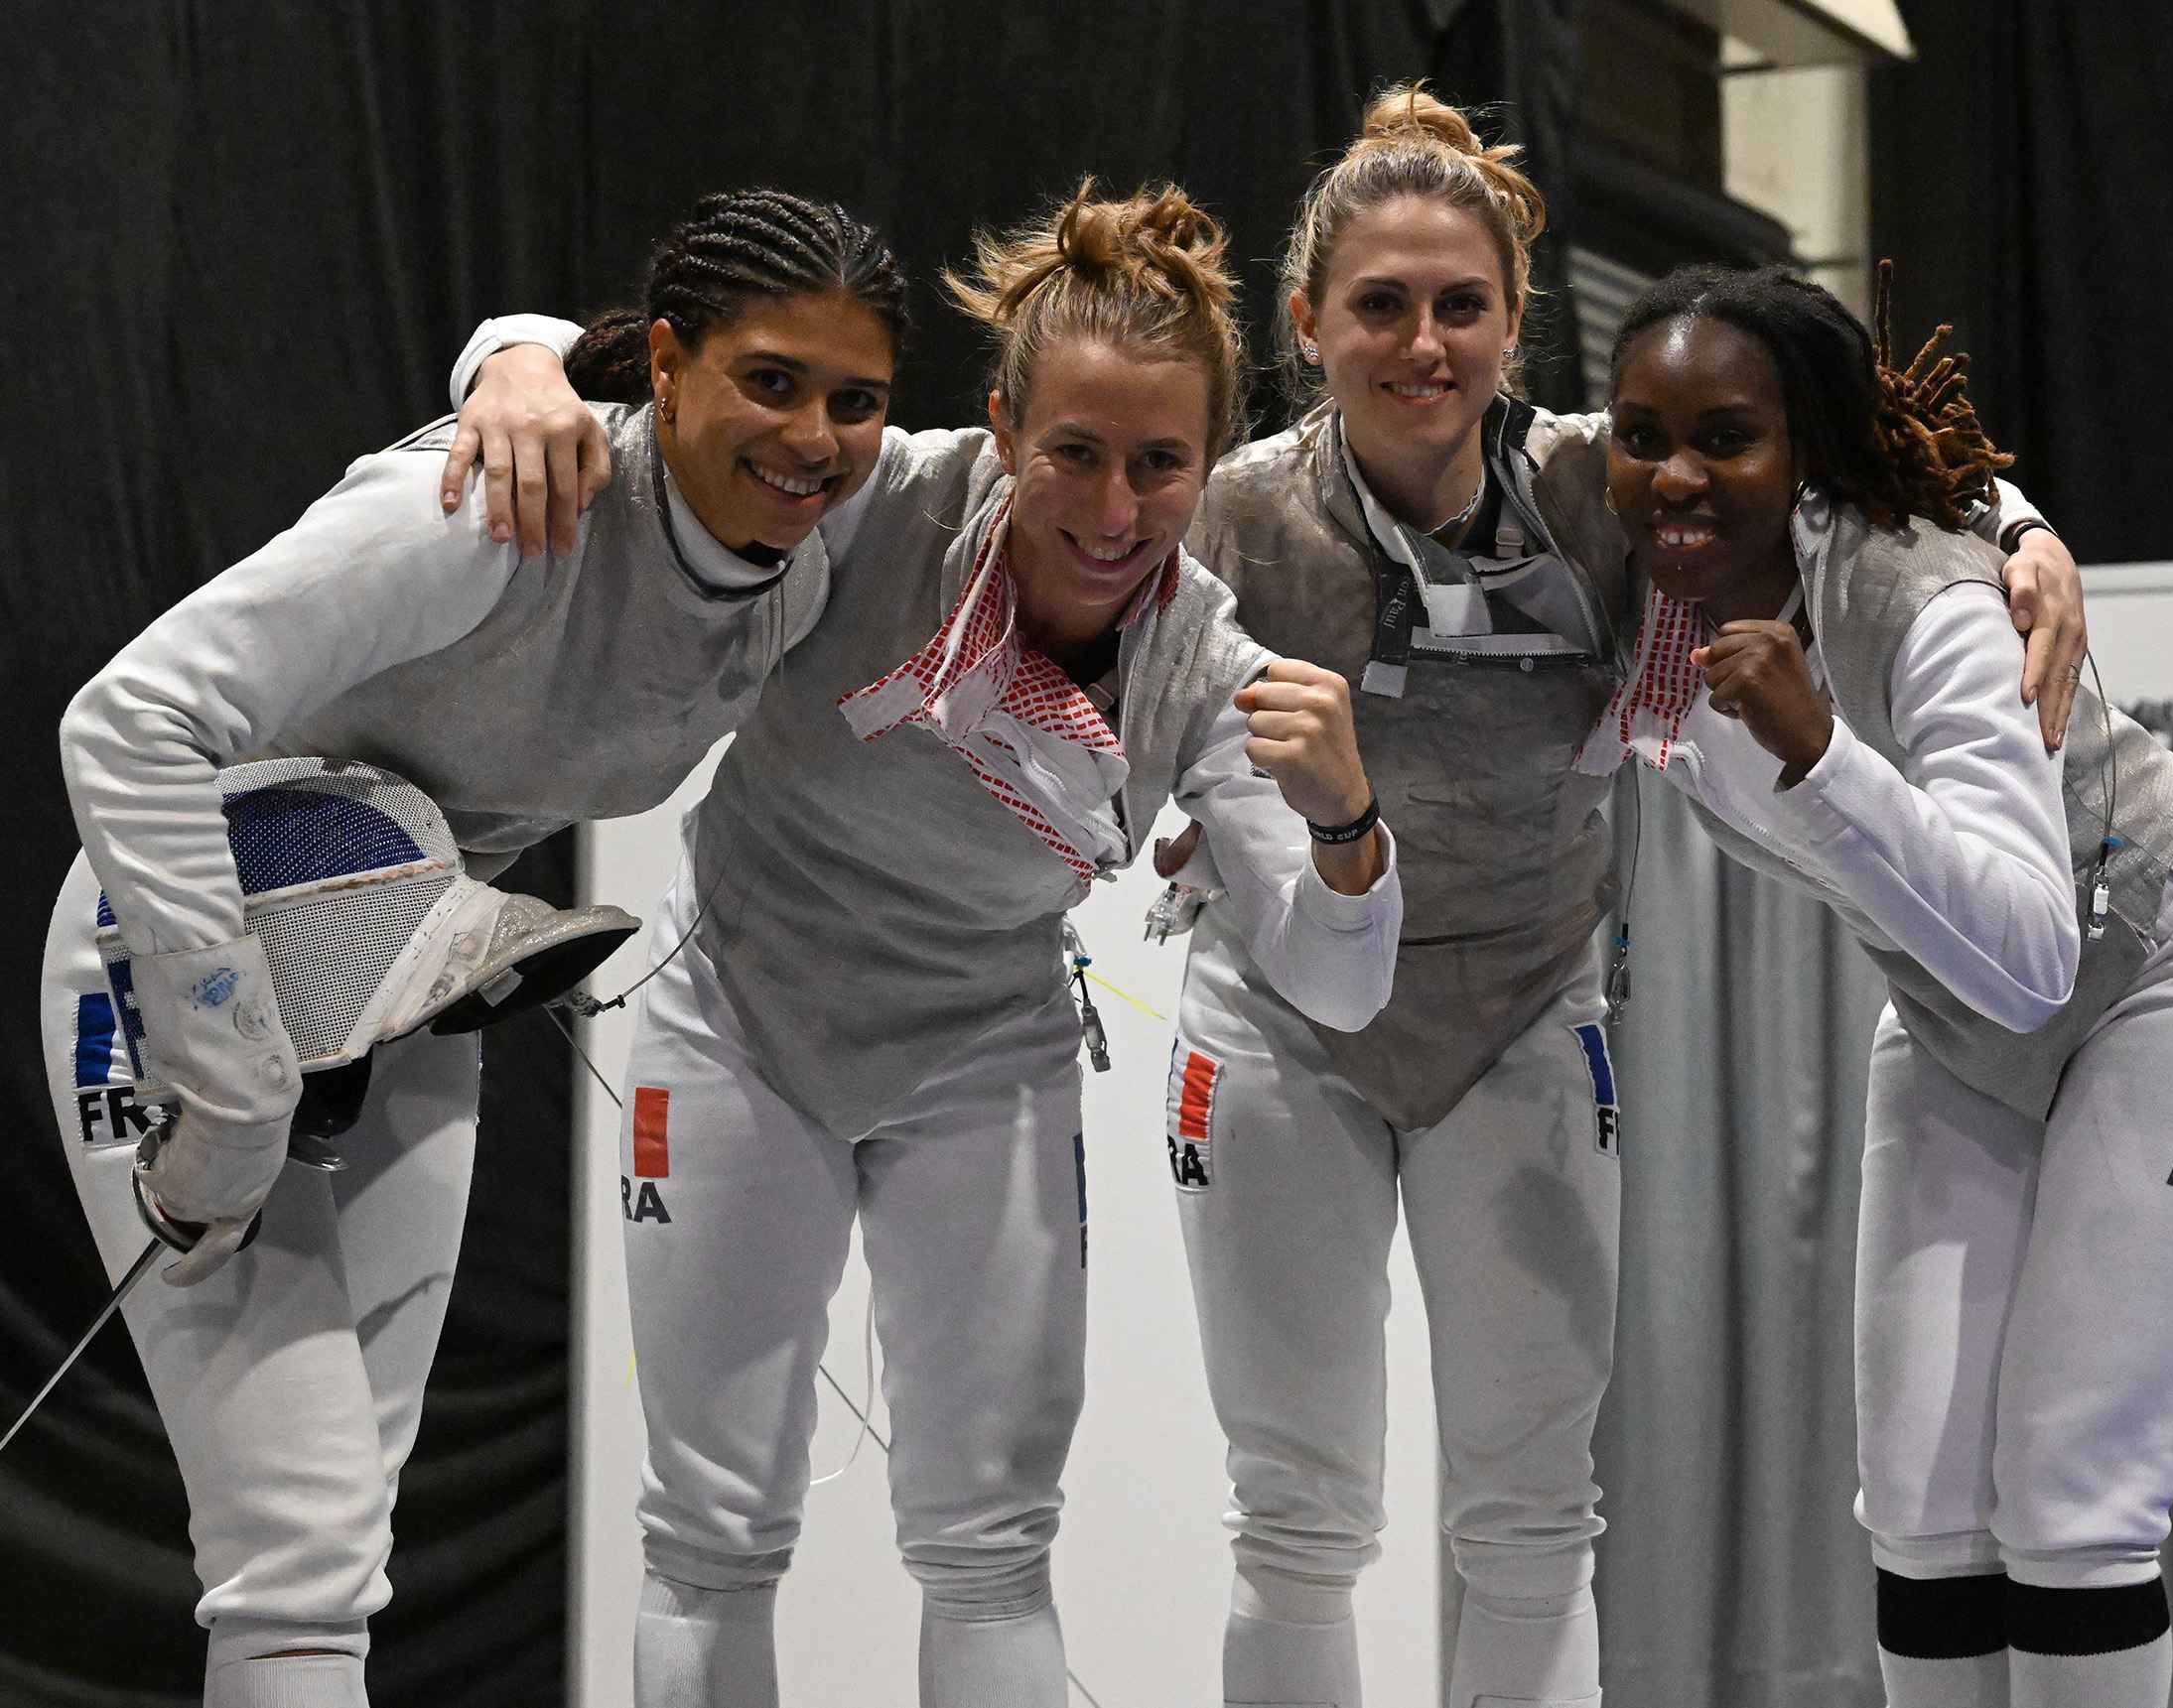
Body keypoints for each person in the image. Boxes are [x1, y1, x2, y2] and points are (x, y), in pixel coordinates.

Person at [457, 89, 2088, 1708]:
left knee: (1531, 1516)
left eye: (1463, 306)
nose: (1423, 343)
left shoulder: (1618, 484)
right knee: (1296, 1518)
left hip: (1522, 1013)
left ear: (1520, 324)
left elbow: (1847, 455)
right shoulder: (1206, 506)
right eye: (1379, 305)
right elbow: (682, 389)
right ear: (1307, 321)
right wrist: (514, 357)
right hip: (1262, 1026)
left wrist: (2012, 526)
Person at [452, 183, 1403, 1708]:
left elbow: (1341, 977)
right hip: (739, 1024)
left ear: (1209, 461)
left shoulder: (1211, 668)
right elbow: (650, 373)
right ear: (1001, 426)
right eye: (1072, 455)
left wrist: (1349, 818)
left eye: (1159, 464)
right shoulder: (874, 495)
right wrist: (511, 365)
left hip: (986, 1055)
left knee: (985, 1542)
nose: (1109, 511)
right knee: (707, 1533)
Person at [36, 187, 910, 1708]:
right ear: (668, 359)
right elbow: (128, 720)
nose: (813, 437)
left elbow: (1045, 480)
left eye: (855, 401)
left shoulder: (819, 545)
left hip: (413, 967)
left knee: (325, 1563)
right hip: (176, 947)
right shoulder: (494, 510)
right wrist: (227, 1068)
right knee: (292, 1545)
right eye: (769, 381)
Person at [1587, 259, 2173, 1708]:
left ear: (1803, 452)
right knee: (1921, 1502)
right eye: (1639, 434)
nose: (1670, 473)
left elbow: (2036, 947)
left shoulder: (1918, 600)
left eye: (1725, 440)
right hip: (1954, 1010)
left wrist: (1822, 751)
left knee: (2071, 1498)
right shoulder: (1616, 525)